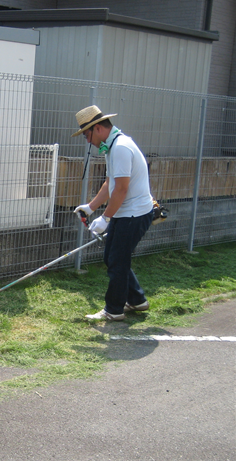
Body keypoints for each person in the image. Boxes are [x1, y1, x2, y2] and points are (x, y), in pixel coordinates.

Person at [71, 106, 154, 321]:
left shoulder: (120, 148)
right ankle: (137, 300)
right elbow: (110, 182)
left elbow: (121, 189)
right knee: (113, 257)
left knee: (117, 261)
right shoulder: (113, 146)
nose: (87, 141)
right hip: (126, 213)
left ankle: (114, 310)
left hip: (134, 214)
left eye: (87, 135)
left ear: (97, 128)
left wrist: (106, 218)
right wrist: (91, 207)